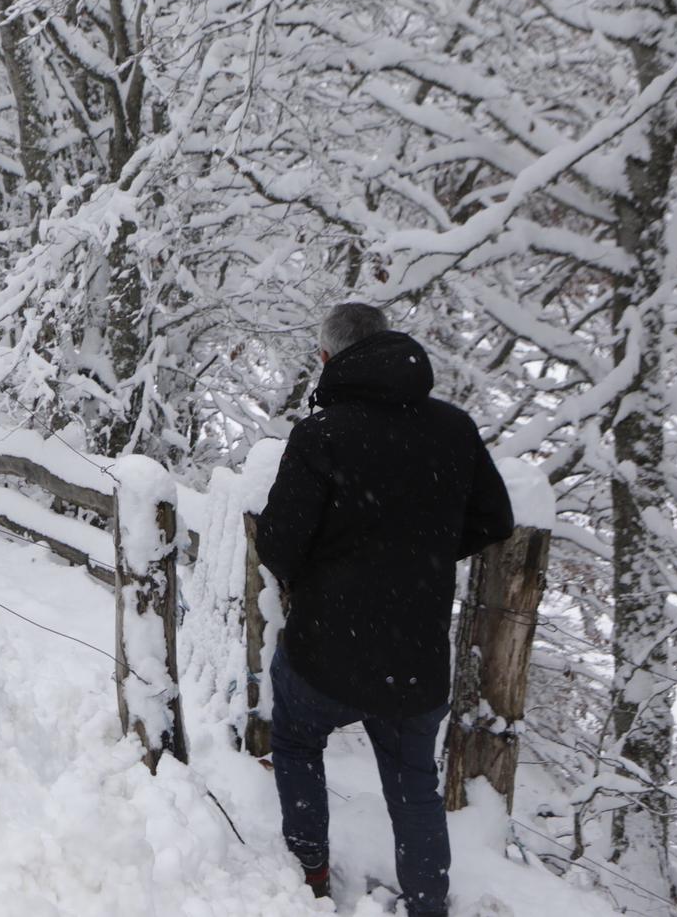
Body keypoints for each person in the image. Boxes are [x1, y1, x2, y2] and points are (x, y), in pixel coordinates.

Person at [254, 303, 515, 914]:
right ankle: (427, 904)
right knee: (413, 783)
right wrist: (420, 556)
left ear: (328, 358)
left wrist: (321, 574)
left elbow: (278, 542)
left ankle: (310, 874)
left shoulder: (322, 434)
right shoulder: (453, 429)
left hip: (328, 648)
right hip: (414, 654)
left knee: (294, 739)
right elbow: (494, 520)